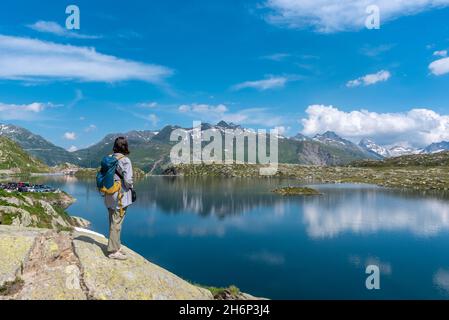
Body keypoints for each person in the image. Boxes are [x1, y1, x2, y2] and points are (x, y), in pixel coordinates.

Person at [104, 137, 134, 260]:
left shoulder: (109, 159)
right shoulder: (125, 160)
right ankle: (112, 251)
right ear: (125, 147)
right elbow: (127, 181)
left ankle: (116, 245)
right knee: (117, 222)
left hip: (109, 194)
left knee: (112, 220)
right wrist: (131, 186)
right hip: (120, 196)